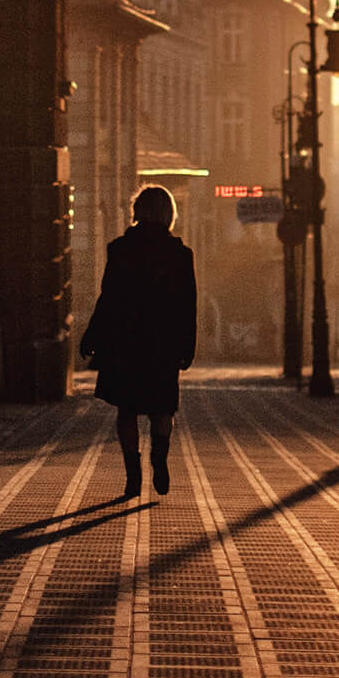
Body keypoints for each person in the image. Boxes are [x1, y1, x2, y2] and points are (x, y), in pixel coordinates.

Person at [79, 186, 197, 499]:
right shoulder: (181, 256)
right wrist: (188, 346)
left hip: (125, 342)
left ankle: (133, 474)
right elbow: (188, 305)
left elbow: (109, 298)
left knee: (127, 410)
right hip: (164, 344)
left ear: (137, 212)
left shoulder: (120, 249)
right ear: (169, 214)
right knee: (162, 409)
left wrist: (92, 336)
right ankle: (159, 458)